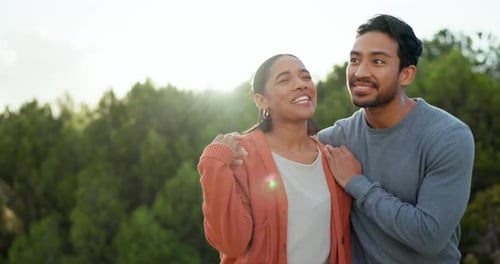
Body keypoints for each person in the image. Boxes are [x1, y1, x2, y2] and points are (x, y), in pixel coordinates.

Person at [318, 14, 475, 264]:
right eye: (354, 60)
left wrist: (357, 183)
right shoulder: (336, 139)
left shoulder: (448, 136)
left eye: (377, 61)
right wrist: (235, 144)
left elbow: (429, 237)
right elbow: (279, 145)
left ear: (406, 74)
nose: (360, 72)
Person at [197, 54, 352, 264]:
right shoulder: (240, 157)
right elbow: (231, 243)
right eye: (284, 80)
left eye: (305, 77)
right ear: (262, 100)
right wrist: (212, 163)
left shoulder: (332, 160)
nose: (301, 85)